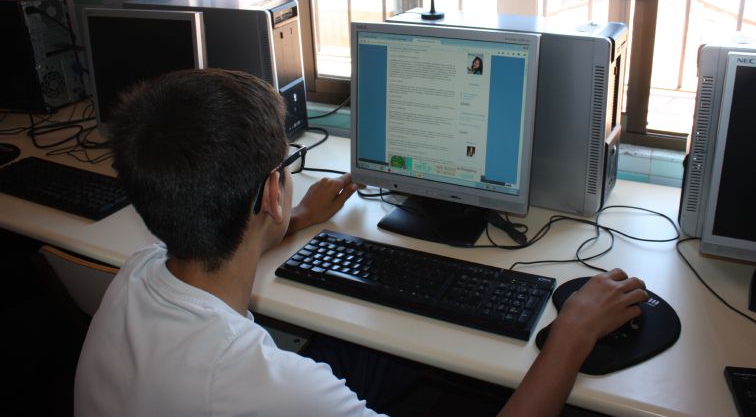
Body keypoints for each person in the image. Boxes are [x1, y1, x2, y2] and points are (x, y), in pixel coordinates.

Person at [74, 69, 648, 416]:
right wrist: (571, 335)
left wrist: (298, 216)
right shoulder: (271, 387)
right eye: (288, 165)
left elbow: (217, 244)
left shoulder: (136, 275)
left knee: (371, 348)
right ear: (271, 192)